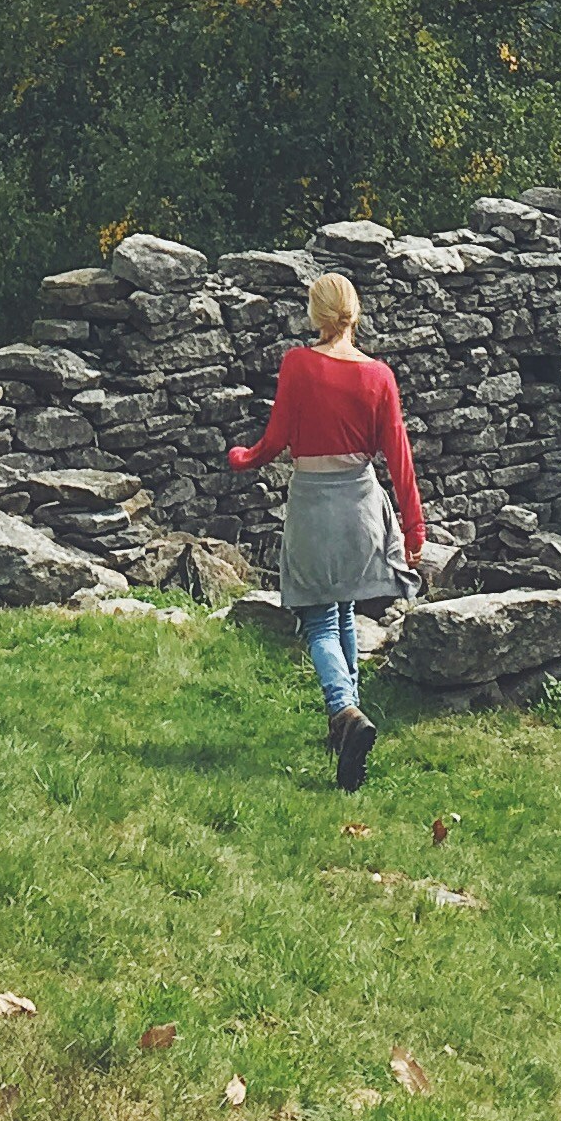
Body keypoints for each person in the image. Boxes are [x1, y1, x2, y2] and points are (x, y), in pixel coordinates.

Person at [226, 270, 424, 789]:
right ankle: (345, 733)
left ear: (315, 315)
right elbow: (399, 456)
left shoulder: (298, 364)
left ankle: (344, 711)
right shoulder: (379, 376)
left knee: (317, 618)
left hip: (314, 503)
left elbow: (276, 438)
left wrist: (243, 459)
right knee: (344, 611)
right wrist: (414, 528)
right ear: (354, 313)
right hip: (360, 504)